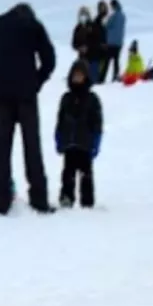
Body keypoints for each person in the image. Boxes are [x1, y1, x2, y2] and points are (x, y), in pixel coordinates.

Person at [0, 2, 57, 215]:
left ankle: (0, 201)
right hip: (26, 97)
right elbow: (49, 59)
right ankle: (39, 199)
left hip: (1, 97)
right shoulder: (32, 25)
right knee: (32, 147)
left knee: (2, 149)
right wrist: (36, 81)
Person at [55, 61, 103, 209]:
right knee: (67, 172)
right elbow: (61, 119)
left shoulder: (92, 99)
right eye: (75, 75)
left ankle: (87, 200)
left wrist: (96, 140)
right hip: (69, 142)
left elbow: (97, 122)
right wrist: (58, 137)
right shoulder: (66, 98)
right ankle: (66, 197)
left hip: (85, 143)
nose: (77, 78)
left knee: (86, 173)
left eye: (80, 75)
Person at [101, 0, 126, 82]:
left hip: (111, 42)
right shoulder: (123, 16)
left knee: (107, 61)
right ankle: (115, 77)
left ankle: (102, 78)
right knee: (116, 61)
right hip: (119, 42)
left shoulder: (113, 16)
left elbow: (107, 25)